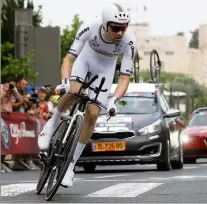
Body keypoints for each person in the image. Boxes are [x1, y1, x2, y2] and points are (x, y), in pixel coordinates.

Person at [37, 2, 136, 187]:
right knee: (74, 91)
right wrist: (65, 82)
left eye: (124, 28)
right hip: (85, 61)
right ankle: (52, 123)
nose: (120, 32)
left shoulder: (129, 41)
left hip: (105, 71)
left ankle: (70, 166)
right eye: (116, 28)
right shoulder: (89, 26)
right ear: (105, 24)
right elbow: (69, 59)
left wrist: (114, 100)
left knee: (92, 115)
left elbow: (124, 78)